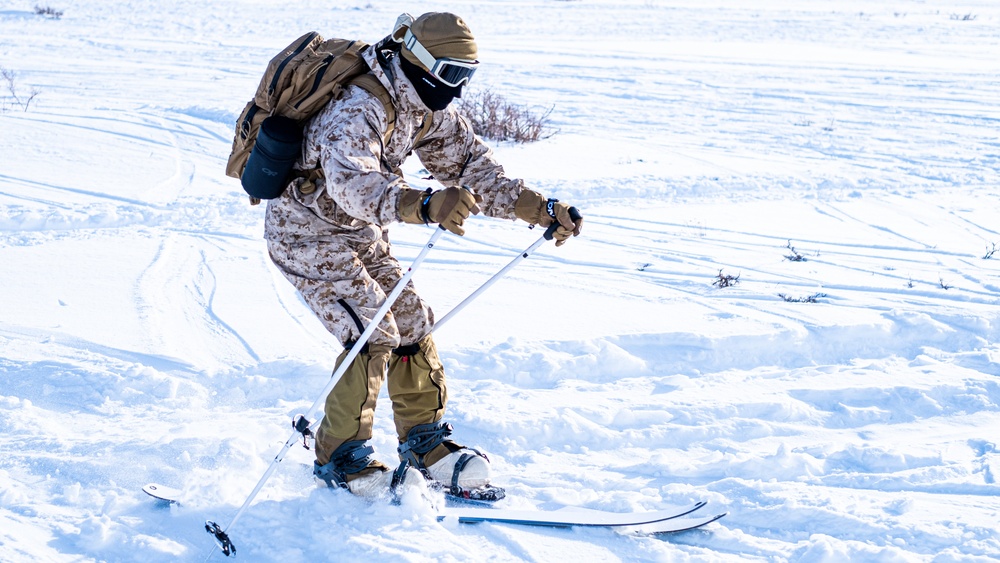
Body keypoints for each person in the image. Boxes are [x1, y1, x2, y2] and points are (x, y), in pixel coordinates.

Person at [264, 12, 583, 498]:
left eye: (467, 76)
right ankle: (341, 457)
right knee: (372, 327)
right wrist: (425, 204)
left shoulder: (423, 104)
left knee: (411, 319)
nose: (456, 88)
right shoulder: (358, 106)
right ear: (420, 60)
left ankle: (425, 444)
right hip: (306, 234)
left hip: (359, 232)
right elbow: (352, 184)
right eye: (452, 73)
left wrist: (540, 208)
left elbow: (472, 165)